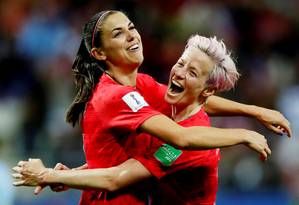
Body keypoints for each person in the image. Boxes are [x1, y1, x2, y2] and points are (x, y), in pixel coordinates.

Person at [12, 10, 290, 205]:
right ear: (99, 53)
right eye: (181, 63)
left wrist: (60, 176)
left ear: (205, 89)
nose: (179, 73)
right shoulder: (129, 93)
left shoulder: (182, 135)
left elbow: (129, 170)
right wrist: (249, 124)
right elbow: (176, 130)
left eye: (132, 27)